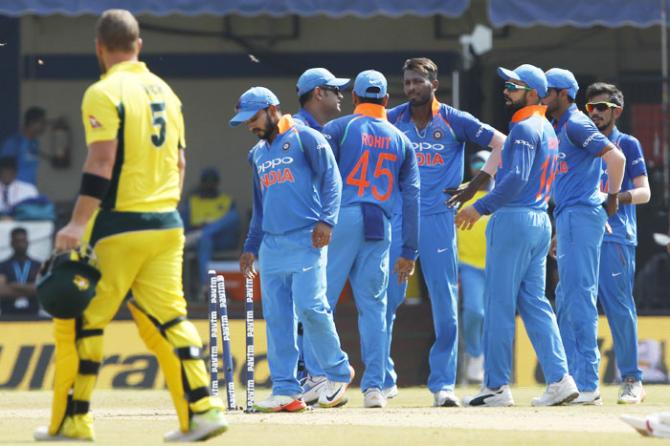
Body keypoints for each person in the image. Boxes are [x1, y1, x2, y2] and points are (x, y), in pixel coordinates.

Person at [34, 9, 228, 442]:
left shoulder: (104, 91)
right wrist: (164, 209)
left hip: (119, 224)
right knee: (169, 320)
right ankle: (202, 411)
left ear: (99, 48)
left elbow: (101, 161)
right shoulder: (166, 92)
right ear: (138, 45)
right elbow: (179, 163)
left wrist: (76, 223)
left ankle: (72, 422)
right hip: (167, 224)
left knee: (82, 321)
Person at [454, 64, 578, 407]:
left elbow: (516, 177)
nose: (506, 90)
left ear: (534, 93)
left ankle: (495, 387)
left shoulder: (524, 128)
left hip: (513, 219)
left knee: (498, 303)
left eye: (514, 85)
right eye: (506, 84)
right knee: (535, 302)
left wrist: (481, 207)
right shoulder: (548, 130)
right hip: (539, 219)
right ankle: (560, 379)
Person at [385, 58, 506, 406]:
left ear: (434, 84)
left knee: (445, 304)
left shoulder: (455, 119)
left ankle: (442, 386)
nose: (411, 89)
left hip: (440, 218)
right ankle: (381, 379)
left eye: (418, 82)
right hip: (400, 218)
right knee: (386, 300)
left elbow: (504, 144)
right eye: (407, 83)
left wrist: (475, 186)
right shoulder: (392, 119)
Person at [302, 70, 420, 409]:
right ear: (386, 100)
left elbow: (317, 172)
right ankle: (375, 389)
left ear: (354, 98)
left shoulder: (340, 128)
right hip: (380, 224)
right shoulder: (401, 140)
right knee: (374, 309)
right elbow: (411, 198)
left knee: (320, 300)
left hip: (341, 218)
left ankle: (320, 377)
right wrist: (409, 249)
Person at [232, 86, 354, 412]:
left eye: (253, 118)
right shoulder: (256, 153)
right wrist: (250, 245)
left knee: (311, 307)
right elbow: (260, 206)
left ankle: (339, 371)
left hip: (306, 238)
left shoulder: (306, 138)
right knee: (277, 318)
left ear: (272, 110)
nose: (250, 126)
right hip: (271, 245)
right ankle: (286, 389)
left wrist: (327, 221)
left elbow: (333, 180)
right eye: (245, 122)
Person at [543, 68, 625, 405]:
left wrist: (611, 198)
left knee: (578, 296)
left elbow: (615, 157)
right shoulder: (560, 126)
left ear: (563, 94)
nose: (543, 97)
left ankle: (588, 383)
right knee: (566, 296)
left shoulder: (576, 122)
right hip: (569, 216)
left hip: (580, 213)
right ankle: (574, 379)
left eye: (548, 92)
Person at [585, 82, 651, 404]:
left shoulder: (628, 143)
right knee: (574, 306)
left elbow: (645, 192)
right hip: (583, 235)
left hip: (617, 236)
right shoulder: (582, 143)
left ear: (616, 111)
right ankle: (580, 382)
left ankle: (631, 379)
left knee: (619, 309)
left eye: (602, 108)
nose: (595, 113)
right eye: (590, 107)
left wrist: (615, 197)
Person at [292, 67, 349, 389]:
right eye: (333, 89)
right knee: (307, 305)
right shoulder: (299, 130)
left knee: (310, 304)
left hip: (313, 229)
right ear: (318, 93)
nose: (340, 95)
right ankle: (312, 374)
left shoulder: (318, 129)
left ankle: (313, 374)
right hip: (302, 231)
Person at [456, 150, 492, 384]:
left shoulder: (500, 192)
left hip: (495, 265)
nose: (479, 167)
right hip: (469, 265)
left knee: (494, 316)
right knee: (474, 311)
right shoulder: (462, 191)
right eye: (475, 163)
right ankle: (475, 354)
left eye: (484, 163)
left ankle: (492, 365)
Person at [182, 167, 241, 294]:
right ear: (201, 183)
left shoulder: (226, 200)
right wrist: (200, 229)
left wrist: (210, 227)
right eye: (206, 181)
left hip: (223, 239)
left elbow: (232, 225)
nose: (209, 184)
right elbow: (185, 227)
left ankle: (205, 232)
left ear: (217, 183)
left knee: (233, 216)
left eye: (212, 181)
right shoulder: (192, 201)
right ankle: (207, 286)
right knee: (205, 240)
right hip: (202, 241)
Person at [0, 106, 47, 186]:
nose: (44, 126)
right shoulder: (14, 143)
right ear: (32, 122)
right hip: (15, 192)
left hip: (30, 190)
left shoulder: (35, 143)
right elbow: (4, 170)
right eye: (42, 123)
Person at [0, 227, 41, 317]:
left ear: (28, 242)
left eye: (23, 241)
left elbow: (41, 290)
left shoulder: (38, 265)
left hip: (34, 317)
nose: (20, 244)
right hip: (7, 317)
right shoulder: (3, 265)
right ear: (11, 243)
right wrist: (30, 289)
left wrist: (13, 285)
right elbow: (1, 291)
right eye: (17, 241)